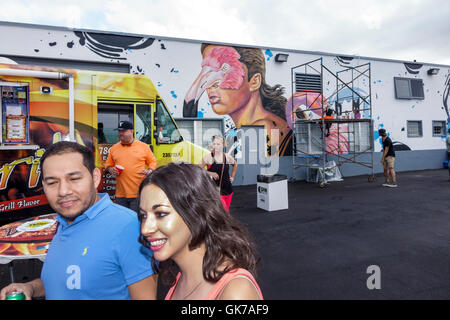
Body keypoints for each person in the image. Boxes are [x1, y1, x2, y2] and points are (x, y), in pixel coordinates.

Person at [0, 141, 157, 300]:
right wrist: (30, 288)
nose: (63, 191)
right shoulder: (63, 223)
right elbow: (65, 281)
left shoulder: (128, 227)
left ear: (95, 178)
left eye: (74, 178)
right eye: (52, 182)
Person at [138, 163, 262, 300]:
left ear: (196, 212)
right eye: (143, 215)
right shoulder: (182, 277)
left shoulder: (235, 293)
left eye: (160, 214)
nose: (145, 229)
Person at [184, 44, 292, 156]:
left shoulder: (267, 129)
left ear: (254, 82)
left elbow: (267, 169)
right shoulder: (239, 130)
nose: (209, 85)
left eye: (225, 68)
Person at [105, 120, 157, 212]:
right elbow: (108, 164)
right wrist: (110, 169)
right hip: (120, 195)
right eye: (119, 131)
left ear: (131, 131)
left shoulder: (143, 147)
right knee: (123, 221)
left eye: (124, 131)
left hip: (137, 193)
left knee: (136, 220)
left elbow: (152, 162)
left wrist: (150, 170)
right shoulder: (114, 148)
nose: (121, 133)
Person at [199, 135, 237, 212]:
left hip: (228, 190)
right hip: (215, 191)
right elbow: (197, 169)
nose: (216, 146)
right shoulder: (208, 157)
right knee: (221, 212)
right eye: (214, 144)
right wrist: (210, 173)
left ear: (223, 145)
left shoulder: (227, 157)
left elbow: (235, 164)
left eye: (218, 144)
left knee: (226, 211)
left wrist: (232, 177)